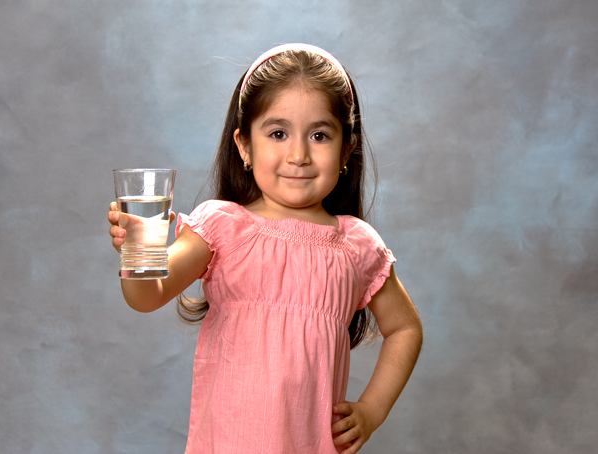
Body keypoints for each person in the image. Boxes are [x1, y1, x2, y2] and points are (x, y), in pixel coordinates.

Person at [108, 43, 422, 454]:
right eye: (278, 133)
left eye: (320, 135)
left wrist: (371, 410)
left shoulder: (356, 246)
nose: (298, 154)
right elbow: (147, 297)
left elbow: (405, 328)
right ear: (244, 146)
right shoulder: (223, 227)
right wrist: (138, 249)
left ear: (347, 148)